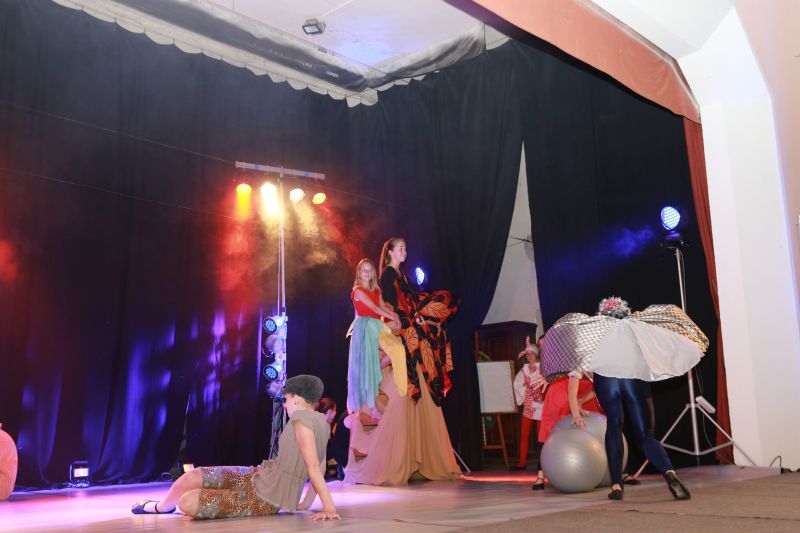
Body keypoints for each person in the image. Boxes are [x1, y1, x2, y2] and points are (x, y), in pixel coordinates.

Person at [131, 375, 340, 520]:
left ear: (297, 398)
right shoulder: (321, 423)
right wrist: (305, 503)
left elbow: (314, 468)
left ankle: (162, 507)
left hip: (266, 497)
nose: (284, 405)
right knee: (194, 476)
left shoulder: (301, 421)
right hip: (259, 476)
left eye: (286, 399)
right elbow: (320, 467)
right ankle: (161, 508)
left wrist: (328, 508)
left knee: (188, 501)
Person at [344, 237, 461, 485]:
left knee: (430, 325)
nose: (405, 251)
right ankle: (393, 378)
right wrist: (398, 318)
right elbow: (386, 307)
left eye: (406, 248)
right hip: (371, 329)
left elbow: (394, 303)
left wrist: (415, 315)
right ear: (390, 252)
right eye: (401, 248)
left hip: (385, 323)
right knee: (400, 351)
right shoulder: (382, 278)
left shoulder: (398, 278)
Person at [588, 296, 707, 501]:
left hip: (606, 381)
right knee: (645, 436)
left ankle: (616, 484)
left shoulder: (595, 330)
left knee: (614, 426)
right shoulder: (637, 324)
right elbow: (654, 345)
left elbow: (585, 357)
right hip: (632, 378)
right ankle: (669, 473)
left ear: (602, 314)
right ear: (626, 312)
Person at [346, 258, 400, 414]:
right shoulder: (357, 290)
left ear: (374, 273)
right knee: (368, 364)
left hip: (377, 326)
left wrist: (395, 315)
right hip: (365, 328)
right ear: (359, 273)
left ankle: (375, 373)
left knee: (395, 352)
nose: (367, 273)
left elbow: (382, 306)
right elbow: (375, 309)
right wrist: (392, 316)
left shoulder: (376, 289)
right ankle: (371, 407)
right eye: (364, 270)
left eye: (370, 270)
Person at [511, 337, 547, 488]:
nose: (530, 356)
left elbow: (547, 383)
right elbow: (516, 384)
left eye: (532, 353)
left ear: (537, 354)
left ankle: (543, 464)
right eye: (528, 354)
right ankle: (522, 462)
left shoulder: (542, 368)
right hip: (528, 405)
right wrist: (524, 387)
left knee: (541, 437)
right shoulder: (523, 370)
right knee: (524, 434)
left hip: (540, 405)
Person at [315, 397, 344, 480]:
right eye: (335, 410)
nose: (336, 413)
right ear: (330, 411)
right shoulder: (322, 425)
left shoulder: (324, 424)